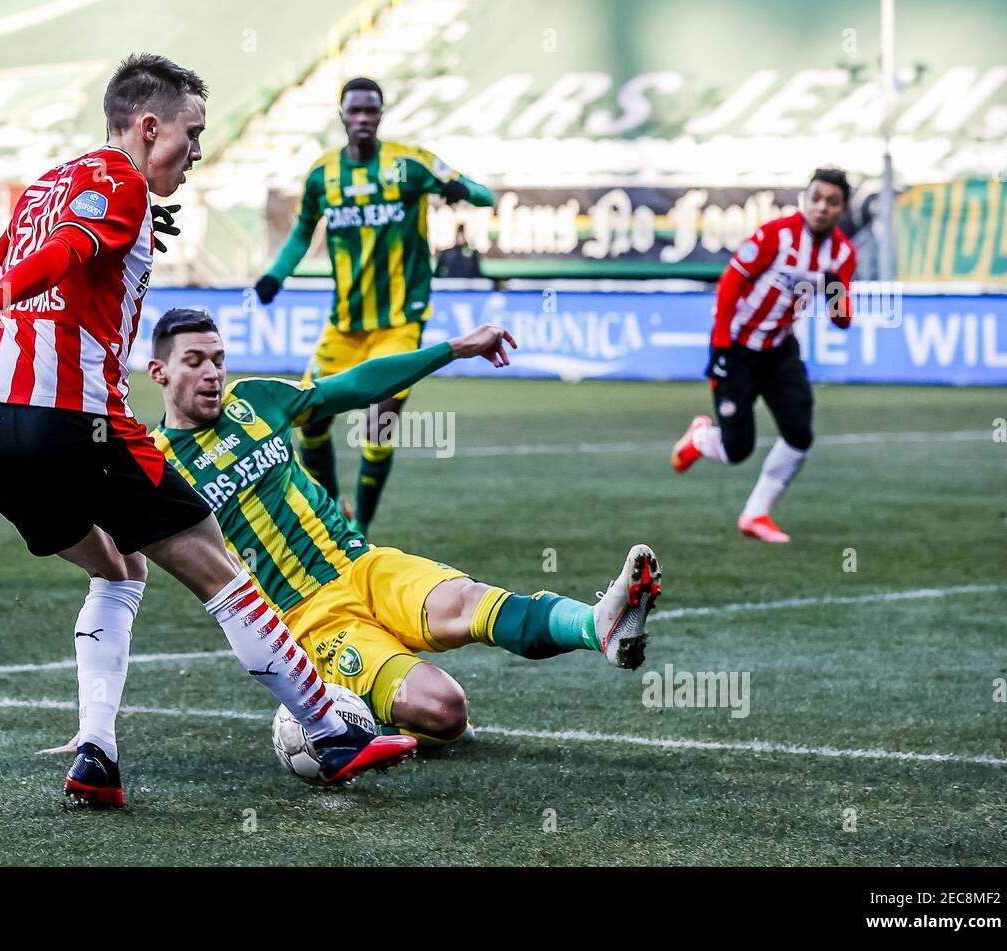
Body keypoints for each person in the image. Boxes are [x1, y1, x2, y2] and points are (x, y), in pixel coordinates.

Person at [0, 54, 415, 806]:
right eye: (191, 134)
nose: (197, 152)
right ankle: (332, 732)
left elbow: (50, 246)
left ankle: (96, 756)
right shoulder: (123, 184)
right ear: (147, 126)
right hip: (78, 422)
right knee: (220, 568)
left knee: (118, 570)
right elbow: (67, 251)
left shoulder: (50, 184)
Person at [144, 308, 662, 748]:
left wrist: (455, 348)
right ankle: (366, 717)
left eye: (217, 359)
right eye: (194, 362)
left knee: (469, 602)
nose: (211, 372)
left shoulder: (256, 400)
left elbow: (357, 384)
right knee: (446, 712)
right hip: (308, 621)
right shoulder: (154, 466)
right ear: (159, 372)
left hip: (363, 565)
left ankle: (598, 625)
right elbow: (119, 558)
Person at [253, 77, 495, 537]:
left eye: (371, 111)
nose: (363, 119)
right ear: (341, 115)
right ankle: (331, 511)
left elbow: (484, 194)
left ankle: (359, 525)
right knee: (309, 418)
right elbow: (304, 232)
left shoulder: (410, 164)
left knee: (379, 419)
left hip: (401, 322)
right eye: (355, 111)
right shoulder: (322, 174)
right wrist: (275, 276)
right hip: (344, 325)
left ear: (381, 116)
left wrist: (463, 192)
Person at [670, 167, 857, 543]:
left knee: (800, 434)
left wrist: (837, 290)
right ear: (806, 199)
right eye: (816, 198)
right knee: (738, 449)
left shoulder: (841, 254)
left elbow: (842, 320)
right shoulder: (776, 235)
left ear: (843, 209)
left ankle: (756, 514)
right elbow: (730, 284)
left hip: (779, 351)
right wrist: (722, 345)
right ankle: (701, 437)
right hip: (737, 348)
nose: (821, 207)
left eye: (832, 202)